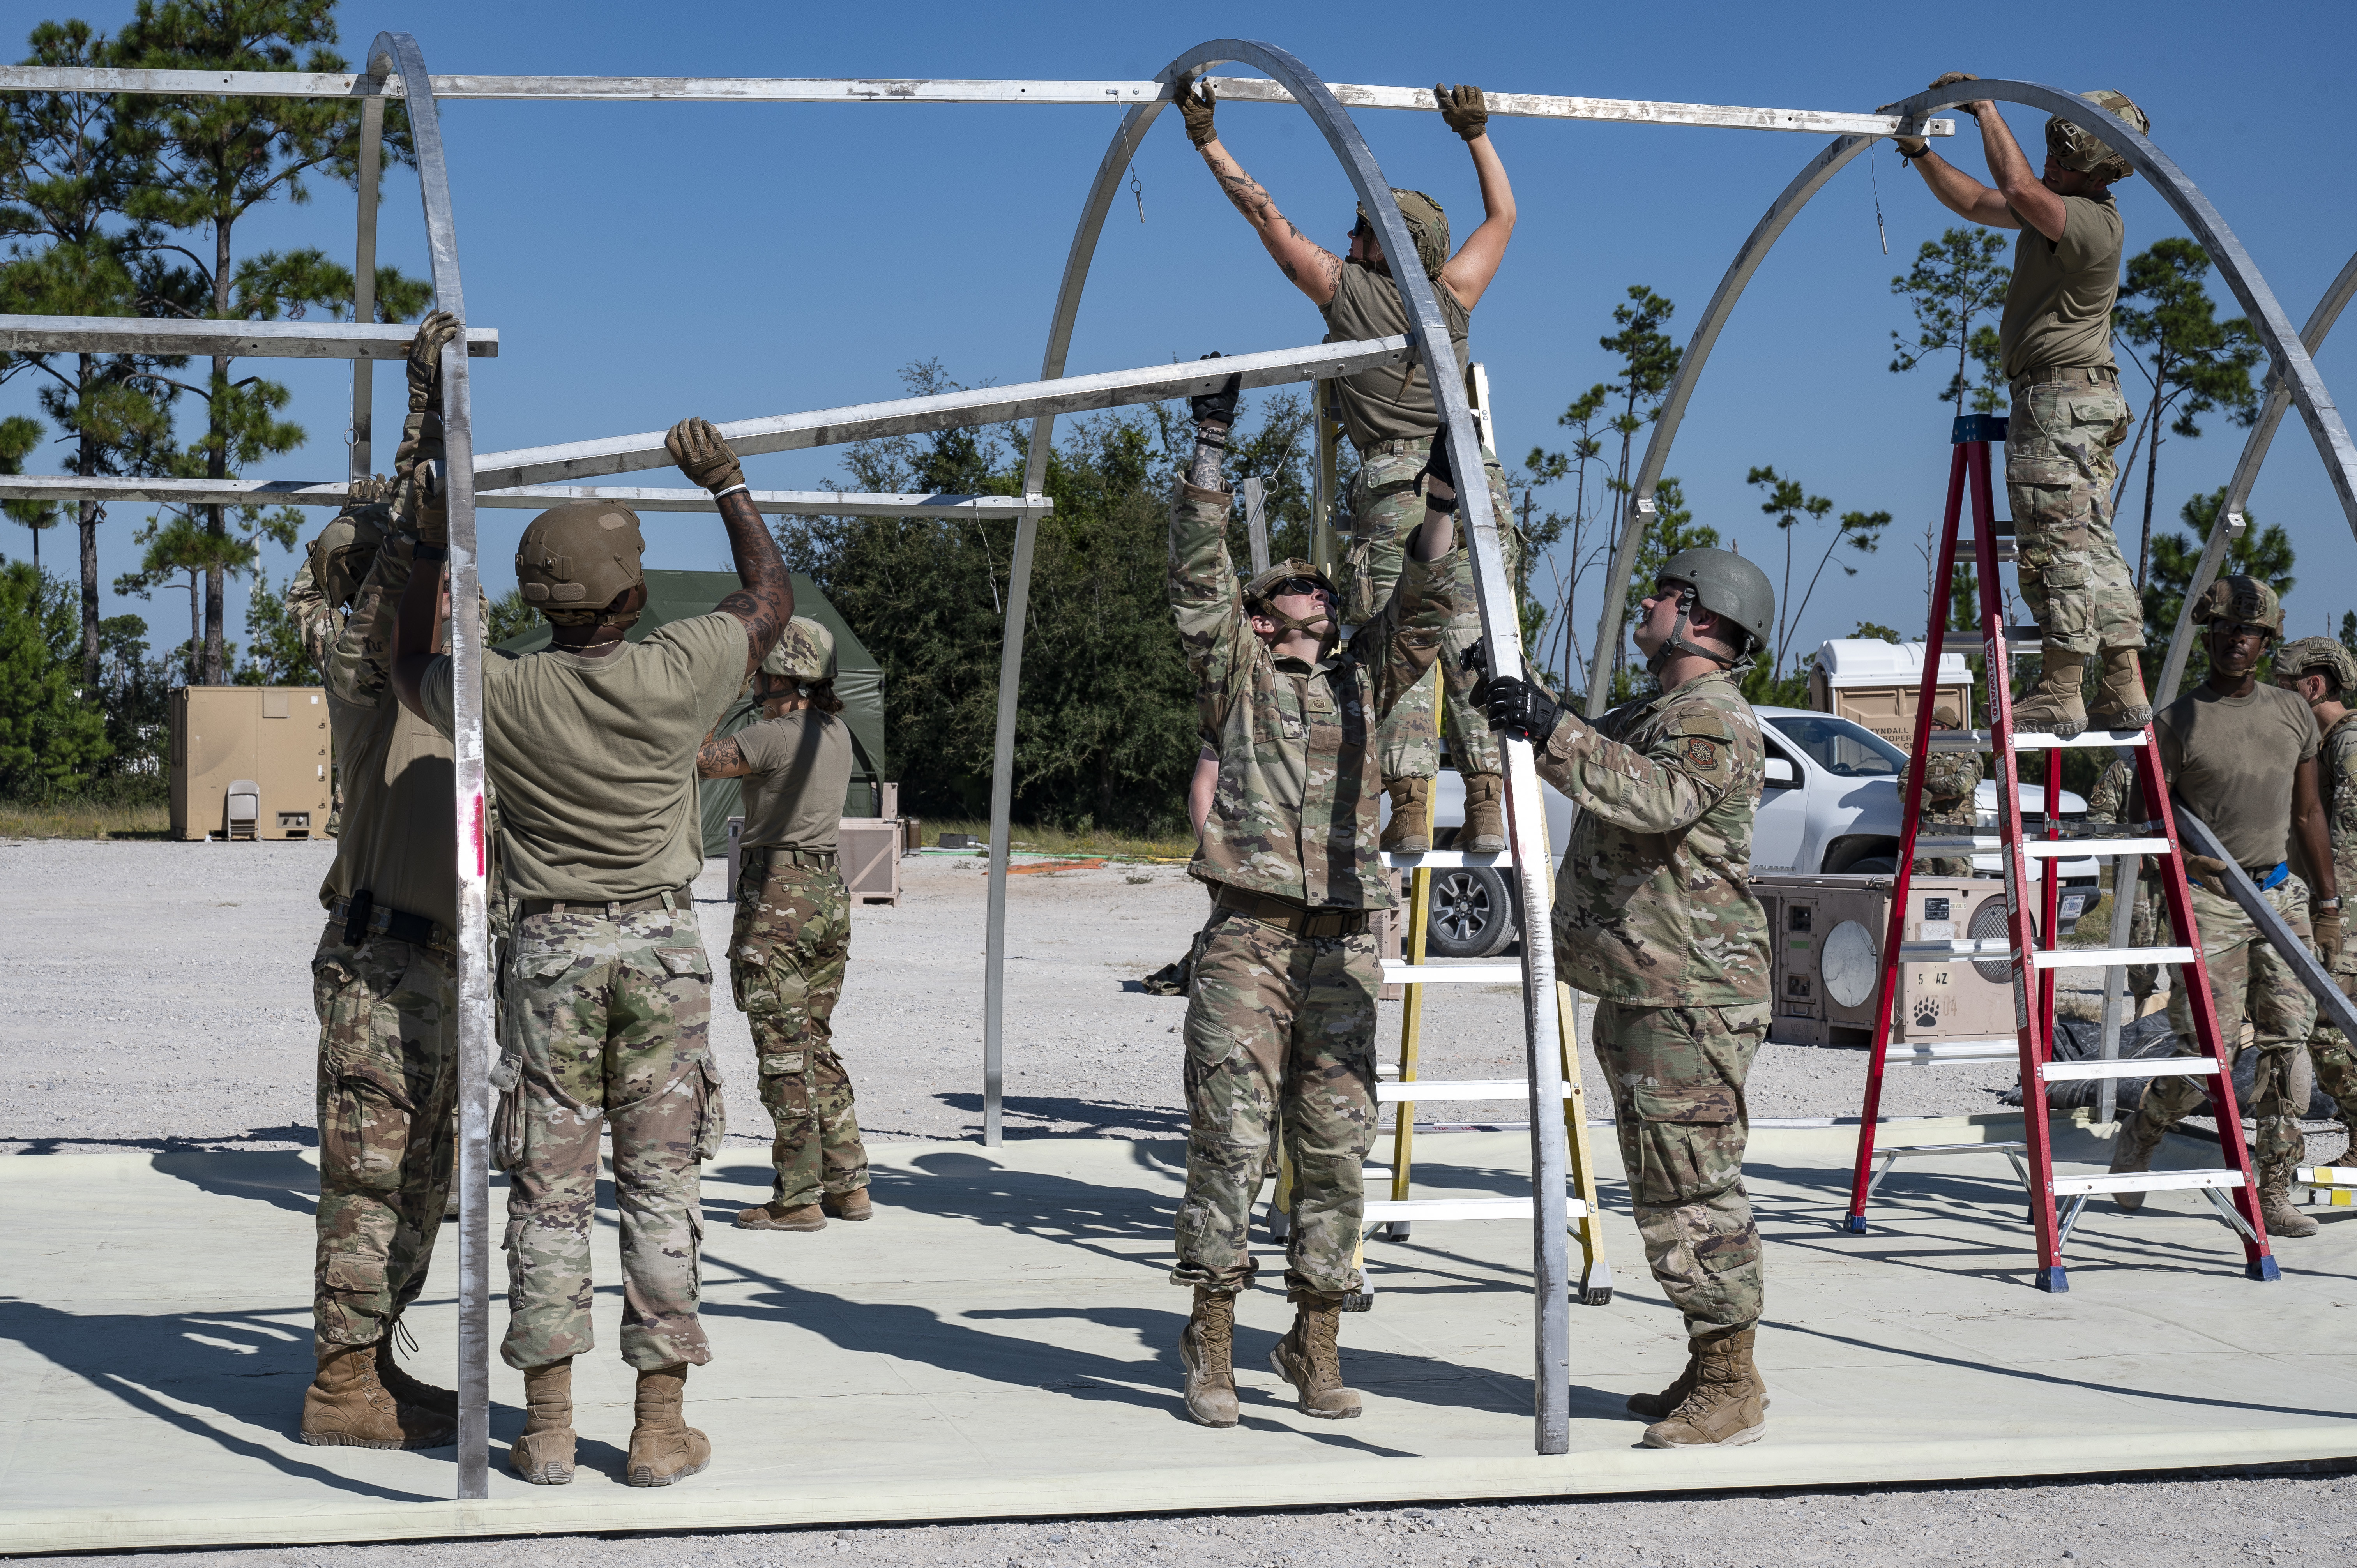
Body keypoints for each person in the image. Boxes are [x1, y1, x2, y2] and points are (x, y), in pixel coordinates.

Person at [391, 417, 792, 1487]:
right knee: (662, 1189)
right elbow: (768, 604)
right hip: (661, 951)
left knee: (548, 1194)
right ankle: (658, 1430)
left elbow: (408, 663)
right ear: (626, 599)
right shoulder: (678, 670)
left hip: (551, 957)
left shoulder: (505, 693)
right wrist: (727, 484)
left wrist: (430, 538)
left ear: (538, 601)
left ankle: (550, 1429)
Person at [1166, 371, 1463, 1429]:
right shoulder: (1237, 677)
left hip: (1341, 944)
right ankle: (1209, 1338)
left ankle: (1315, 1334)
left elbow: (1426, 603)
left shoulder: (1366, 681)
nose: (1321, 600)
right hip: (1251, 935)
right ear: (1259, 615)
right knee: (1233, 1141)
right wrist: (1212, 442)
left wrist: (1438, 499)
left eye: (1328, 593)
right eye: (1300, 591)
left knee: (1335, 1145)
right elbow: (1197, 574)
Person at [1173, 71, 1518, 856]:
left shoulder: (1351, 293)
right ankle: (1491, 802)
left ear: (1384, 243)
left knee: (1404, 640)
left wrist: (1207, 140)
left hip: (1403, 489)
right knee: (1473, 642)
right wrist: (1476, 133)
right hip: (1478, 488)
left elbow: (1266, 215)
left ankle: (1409, 805)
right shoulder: (1451, 294)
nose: (1351, 239)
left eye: (1363, 230)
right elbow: (1504, 214)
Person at [1481, 546, 1776, 1449]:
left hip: (1690, 991)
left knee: (1692, 1186)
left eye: (1660, 593)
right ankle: (1711, 1357)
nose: (1643, 602)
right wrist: (1514, 690)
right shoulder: (1665, 708)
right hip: (1653, 985)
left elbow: (1645, 795)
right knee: (1666, 1177)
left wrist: (1548, 728)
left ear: (1698, 615)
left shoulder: (1710, 721)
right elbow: (1591, 742)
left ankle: (1732, 1380)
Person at [286, 313, 464, 1451]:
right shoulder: (359, 668)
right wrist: (423, 416)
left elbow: (443, 551)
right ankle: (339, 1387)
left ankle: (377, 1366)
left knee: (427, 1185)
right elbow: (405, 554)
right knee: (367, 1179)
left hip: (444, 960)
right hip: (378, 958)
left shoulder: (455, 676)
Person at [1896, 76, 2151, 738]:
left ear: (2096, 173)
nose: (2050, 168)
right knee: (2091, 542)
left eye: (2064, 161)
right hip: (2076, 397)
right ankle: (2123, 683)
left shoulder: (2088, 222)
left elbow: (2011, 189)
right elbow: (1981, 201)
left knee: (2054, 542)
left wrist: (1983, 108)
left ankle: (2063, 688)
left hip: (2059, 398)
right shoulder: (2058, 207)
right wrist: (1920, 152)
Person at [2106, 578, 2335, 1238]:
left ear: (2265, 643)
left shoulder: (2290, 714)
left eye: (2251, 632)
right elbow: (2145, 819)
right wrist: (2178, 858)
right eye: (2226, 630)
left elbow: (2308, 810)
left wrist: (2326, 903)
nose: (2237, 641)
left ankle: (2271, 1190)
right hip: (2209, 899)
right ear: (2207, 636)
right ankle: (2148, 1121)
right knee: (2210, 1047)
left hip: (2277, 891)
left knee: (2287, 1045)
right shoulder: (2178, 722)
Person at [695, 617, 870, 1231]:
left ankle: (797, 1197)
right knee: (816, 1041)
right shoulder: (837, 731)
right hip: (826, 892)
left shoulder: (774, 736)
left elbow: (699, 759)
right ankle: (848, 1184)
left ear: (784, 676)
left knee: (783, 1054)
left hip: (778, 898)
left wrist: (713, 698)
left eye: (762, 674)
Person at [2274, 636, 2357, 1168]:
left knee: (2327, 1030)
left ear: (2314, 685)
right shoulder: (2328, 746)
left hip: (2345, 918)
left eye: (2284, 689)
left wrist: (2332, 916)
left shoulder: (2348, 745)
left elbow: (2347, 845)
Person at [1898, 705, 1982, 876]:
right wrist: (1945, 792)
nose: (1921, 729)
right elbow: (1904, 791)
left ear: (1943, 728)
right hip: (1923, 838)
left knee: (1959, 895)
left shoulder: (1969, 756)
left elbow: (1961, 786)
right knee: (1920, 893)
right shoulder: (1920, 758)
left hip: (1954, 840)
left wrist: (1924, 782)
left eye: (1928, 724)